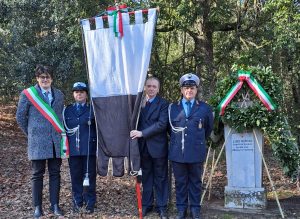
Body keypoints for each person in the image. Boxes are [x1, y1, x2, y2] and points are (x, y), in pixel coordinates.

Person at [16, 65, 65, 218]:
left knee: (55, 173)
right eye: (42, 77)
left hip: (55, 141)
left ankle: (55, 205)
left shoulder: (59, 94)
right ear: (37, 78)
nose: (45, 79)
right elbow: (20, 117)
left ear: (52, 78)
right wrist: (31, 133)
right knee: (37, 174)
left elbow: (60, 116)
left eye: (48, 76)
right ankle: (37, 207)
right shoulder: (28, 94)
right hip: (37, 142)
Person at [168, 73, 213, 219]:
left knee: (195, 181)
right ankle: (181, 209)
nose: (189, 91)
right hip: (178, 152)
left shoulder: (205, 108)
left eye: (192, 88)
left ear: (196, 89)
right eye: (186, 88)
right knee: (180, 182)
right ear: (181, 90)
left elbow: (208, 129)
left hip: (196, 151)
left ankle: (195, 208)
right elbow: (170, 130)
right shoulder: (172, 108)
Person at [130, 77, 169, 219]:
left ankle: (162, 206)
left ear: (158, 89)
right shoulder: (137, 103)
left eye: (154, 86)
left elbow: (162, 124)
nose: (151, 88)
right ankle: (146, 205)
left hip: (158, 147)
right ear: (145, 87)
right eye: (149, 86)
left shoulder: (163, 104)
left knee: (161, 177)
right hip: (143, 147)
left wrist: (142, 133)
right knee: (146, 177)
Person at [63, 82, 97, 214]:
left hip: (89, 148)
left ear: (86, 94)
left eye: (82, 92)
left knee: (90, 176)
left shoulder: (92, 109)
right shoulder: (67, 110)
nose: (79, 94)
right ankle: (77, 201)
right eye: (76, 92)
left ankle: (90, 202)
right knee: (75, 176)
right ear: (73, 94)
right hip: (73, 149)